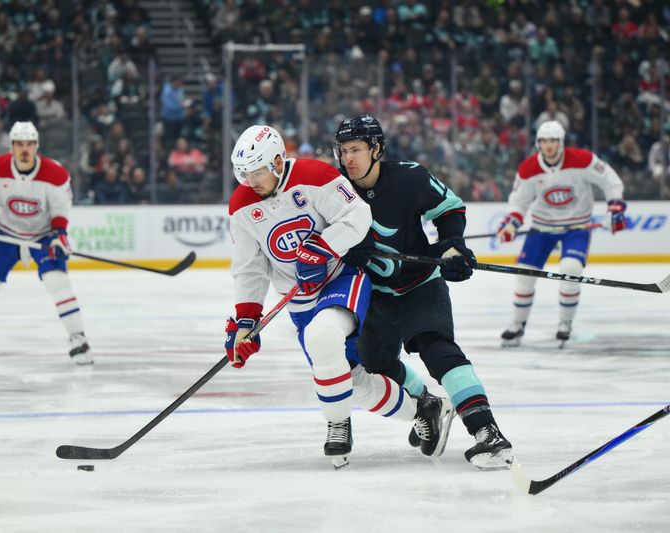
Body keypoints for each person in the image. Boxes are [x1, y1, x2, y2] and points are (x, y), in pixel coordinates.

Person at [226, 124, 448, 468]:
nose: (250, 182)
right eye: (243, 175)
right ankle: (424, 409)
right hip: (298, 299)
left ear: (277, 163)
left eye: (256, 173)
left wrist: (322, 247)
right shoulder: (242, 204)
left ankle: (337, 424)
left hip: (340, 279)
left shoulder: (315, 176)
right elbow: (250, 267)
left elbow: (358, 214)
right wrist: (245, 322)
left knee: (322, 336)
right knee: (351, 380)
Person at [334, 114, 513, 470]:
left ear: (376, 149)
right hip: (375, 293)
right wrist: (343, 247)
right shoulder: (334, 189)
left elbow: (449, 209)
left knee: (437, 348)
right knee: (377, 366)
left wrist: (452, 247)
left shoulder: (409, 177)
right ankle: (428, 404)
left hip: (419, 282)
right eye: (342, 150)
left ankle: (487, 433)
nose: (347, 158)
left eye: (355, 149)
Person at [0, 121, 92, 365]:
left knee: (57, 282)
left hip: (43, 235)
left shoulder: (55, 173)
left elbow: (61, 209)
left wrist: (60, 234)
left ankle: (77, 338)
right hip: (6, 234)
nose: (24, 149)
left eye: (29, 144)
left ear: (37, 145)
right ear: (12, 146)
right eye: (19, 144)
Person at [497, 121, 626, 346]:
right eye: (544, 141)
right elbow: (519, 202)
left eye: (553, 141)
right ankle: (518, 324)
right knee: (524, 274)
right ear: (538, 143)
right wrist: (511, 223)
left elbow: (610, 180)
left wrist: (615, 206)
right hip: (542, 228)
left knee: (571, 270)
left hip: (576, 227)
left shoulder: (582, 160)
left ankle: (565, 323)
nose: (548, 146)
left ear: (561, 142)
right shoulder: (528, 169)